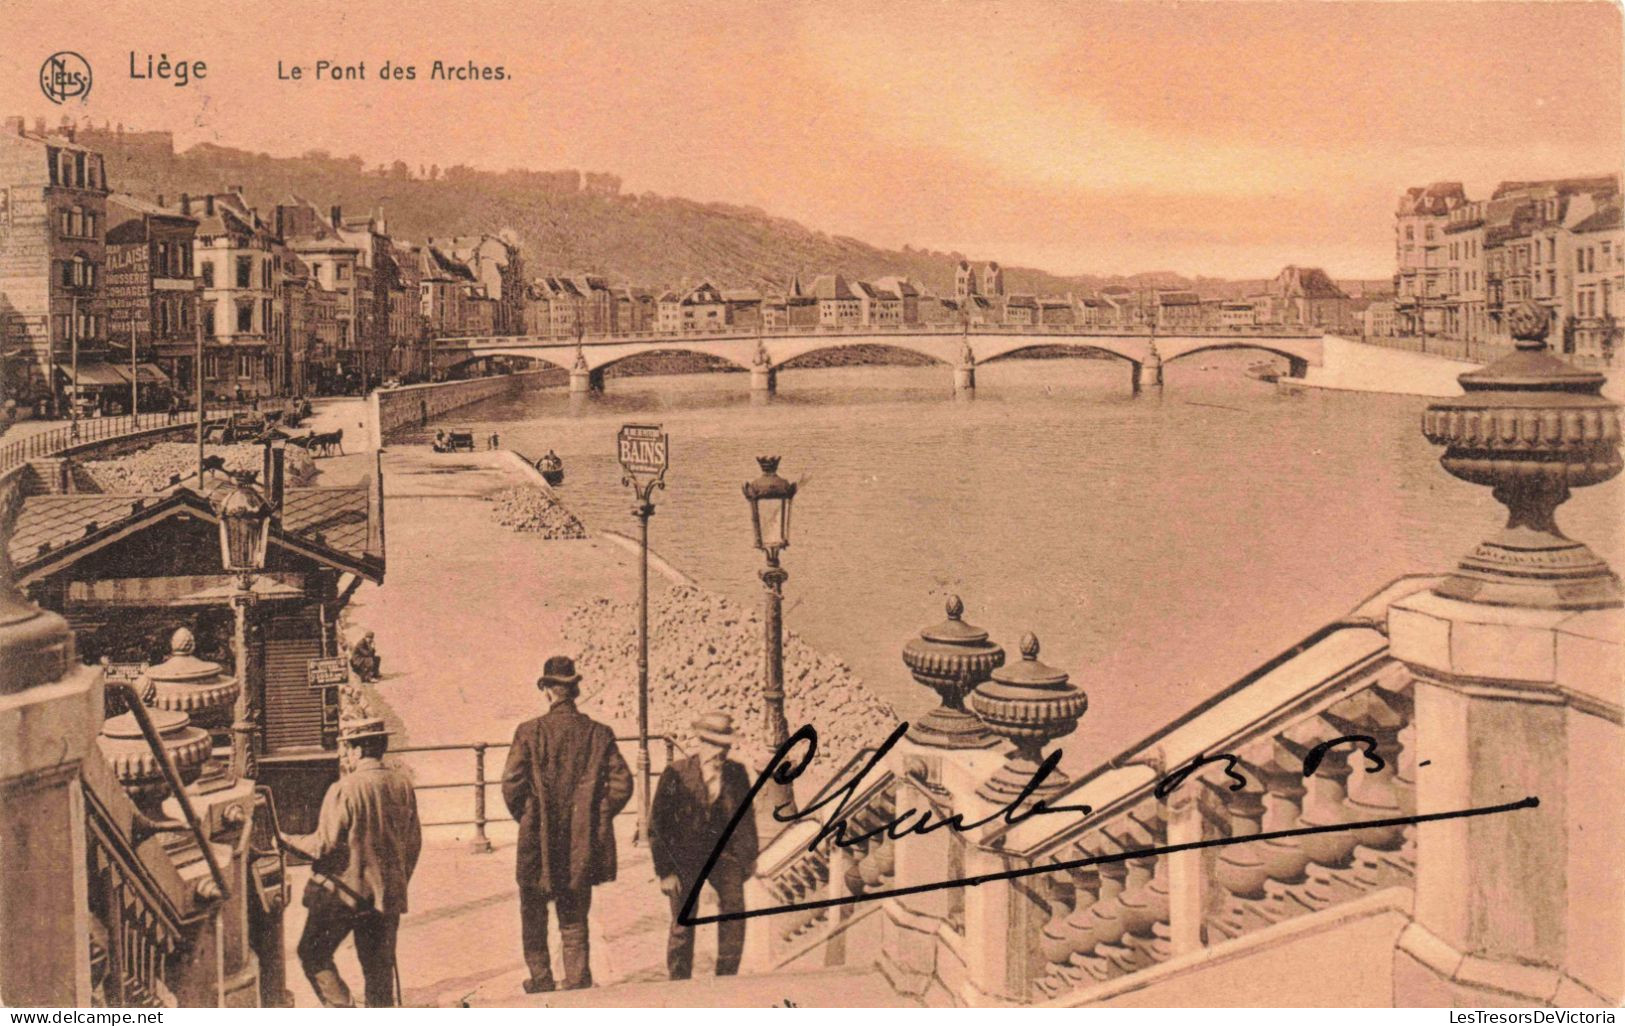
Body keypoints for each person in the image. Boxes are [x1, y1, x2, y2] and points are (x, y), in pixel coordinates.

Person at [501, 656, 634, 992]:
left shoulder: (528, 732)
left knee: (533, 914)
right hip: (581, 840)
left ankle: (541, 979)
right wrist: (595, 814)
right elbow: (622, 784)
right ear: (574, 689)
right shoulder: (599, 734)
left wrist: (530, 818)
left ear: (547, 690)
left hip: (536, 840)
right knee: (574, 916)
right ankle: (576, 981)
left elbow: (512, 785)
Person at [282, 717, 422, 1008]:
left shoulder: (344, 789)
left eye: (347, 748)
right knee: (378, 970)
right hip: (386, 896)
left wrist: (285, 840)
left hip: (346, 895)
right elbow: (413, 843)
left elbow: (323, 845)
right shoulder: (403, 785)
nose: (345, 754)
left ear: (358, 750)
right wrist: (396, 880)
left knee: (313, 953)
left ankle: (343, 1009)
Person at [649, 712, 760, 980]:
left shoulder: (737, 773)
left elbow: (746, 819)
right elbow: (657, 826)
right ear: (702, 743)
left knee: (734, 912)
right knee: (682, 924)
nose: (721, 752)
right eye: (715, 744)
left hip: (724, 856)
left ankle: (726, 979)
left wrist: (748, 859)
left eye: (725, 745)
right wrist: (666, 872)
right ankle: (678, 985)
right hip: (684, 859)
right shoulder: (676, 773)